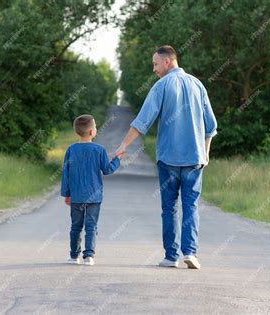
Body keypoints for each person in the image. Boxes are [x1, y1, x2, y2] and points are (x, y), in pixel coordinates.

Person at [115, 45, 217, 269]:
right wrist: (206, 153)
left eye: (155, 64)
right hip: (194, 158)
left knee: (169, 207)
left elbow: (143, 121)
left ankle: (171, 257)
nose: (154, 69)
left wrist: (124, 145)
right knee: (191, 205)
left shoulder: (161, 86)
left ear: (168, 62)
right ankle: (190, 252)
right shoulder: (197, 85)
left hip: (169, 159)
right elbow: (211, 126)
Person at [61, 114, 121, 266]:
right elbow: (107, 170)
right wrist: (117, 159)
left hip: (76, 196)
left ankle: (74, 256)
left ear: (77, 131)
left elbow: (65, 173)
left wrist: (66, 193)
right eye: (95, 127)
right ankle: (89, 256)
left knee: (75, 226)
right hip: (94, 197)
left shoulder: (71, 149)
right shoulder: (99, 150)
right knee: (91, 226)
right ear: (92, 132)